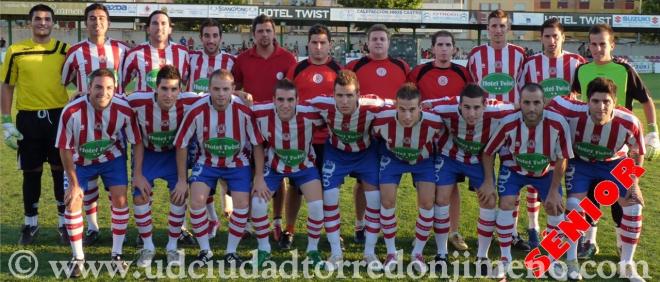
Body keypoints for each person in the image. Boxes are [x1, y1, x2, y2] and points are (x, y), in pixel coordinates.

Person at [570, 24, 659, 260]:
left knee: (620, 200)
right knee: (589, 197)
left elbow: (646, 101)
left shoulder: (625, 70)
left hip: (619, 148)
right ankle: (589, 242)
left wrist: (653, 131)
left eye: (603, 43)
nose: (598, 48)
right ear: (588, 45)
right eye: (593, 44)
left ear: (612, 45)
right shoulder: (581, 70)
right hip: (588, 148)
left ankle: (622, 242)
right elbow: (575, 100)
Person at [548, 78, 647, 282]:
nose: (601, 107)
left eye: (606, 101)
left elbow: (637, 151)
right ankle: (572, 261)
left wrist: (635, 183)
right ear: (587, 101)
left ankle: (626, 264)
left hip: (614, 162)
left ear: (614, 102)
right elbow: (551, 101)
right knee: (575, 206)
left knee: (634, 206)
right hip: (581, 163)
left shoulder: (628, 121)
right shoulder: (571, 110)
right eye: (595, 101)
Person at [481, 83, 573, 279]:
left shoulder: (557, 123)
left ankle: (552, 259)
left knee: (554, 207)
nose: (532, 108)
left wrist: (555, 190)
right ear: (520, 103)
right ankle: (505, 258)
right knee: (506, 203)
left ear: (544, 103)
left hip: (546, 172)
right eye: (527, 103)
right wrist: (489, 181)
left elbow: (562, 158)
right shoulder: (508, 122)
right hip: (514, 170)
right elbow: (488, 152)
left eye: (537, 103)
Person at [174, 69, 264, 267]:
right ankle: (205, 250)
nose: (221, 94)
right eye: (216, 89)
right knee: (196, 200)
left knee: (241, 204)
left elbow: (257, 144)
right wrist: (182, 179)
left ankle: (231, 251)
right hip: (207, 162)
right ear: (209, 89)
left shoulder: (244, 111)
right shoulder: (196, 110)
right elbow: (181, 144)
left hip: (238, 162)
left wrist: (258, 176)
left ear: (233, 89)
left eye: (225, 89)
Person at [57, 69, 141, 277]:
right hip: (79, 160)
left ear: (115, 89)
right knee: (73, 199)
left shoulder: (124, 109)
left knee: (120, 200)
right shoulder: (71, 111)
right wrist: (74, 183)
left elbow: (137, 141)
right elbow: (64, 148)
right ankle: (78, 258)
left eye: (109, 88)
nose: (104, 92)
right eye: (98, 87)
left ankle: (117, 254)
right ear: (88, 87)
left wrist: (137, 173)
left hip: (112, 158)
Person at [425, 84, 516, 272]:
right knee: (441, 199)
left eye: (476, 107)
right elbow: (421, 105)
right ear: (459, 104)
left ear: (485, 105)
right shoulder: (445, 108)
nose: (471, 113)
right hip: (449, 156)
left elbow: (522, 107)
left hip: (479, 160)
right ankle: (441, 254)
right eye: (466, 107)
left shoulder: (499, 110)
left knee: (489, 201)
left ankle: (482, 256)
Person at [61, 3, 130, 246]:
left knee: (116, 185)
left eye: (101, 18)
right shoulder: (75, 51)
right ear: (86, 22)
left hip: (114, 127)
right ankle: (92, 226)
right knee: (86, 185)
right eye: (92, 18)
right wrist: (79, 94)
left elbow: (129, 79)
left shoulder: (122, 50)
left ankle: (117, 233)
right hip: (83, 126)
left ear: (108, 22)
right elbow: (65, 80)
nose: (96, 22)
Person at [1, 4, 70, 245]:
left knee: (60, 172)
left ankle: (65, 223)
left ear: (53, 23)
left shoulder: (64, 50)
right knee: (31, 173)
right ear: (30, 23)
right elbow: (7, 85)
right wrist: (7, 121)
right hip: (28, 119)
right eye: (38, 19)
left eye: (47, 19)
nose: (43, 22)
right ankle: (30, 223)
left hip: (59, 118)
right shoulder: (15, 50)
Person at [306, 70, 387, 270]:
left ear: (359, 94)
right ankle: (336, 253)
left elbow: (400, 106)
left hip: (365, 154)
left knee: (375, 201)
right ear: (332, 95)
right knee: (330, 198)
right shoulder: (321, 104)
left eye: (349, 95)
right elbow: (293, 104)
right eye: (340, 95)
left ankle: (369, 252)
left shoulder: (373, 106)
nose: (344, 100)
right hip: (336, 154)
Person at [517, 17, 587, 248]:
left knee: (569, 182)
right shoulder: (530, 63)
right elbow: (521, 95)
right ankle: (533, 226)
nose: (551, 40)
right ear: (541, 38)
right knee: (536, 176)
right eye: (547, 36)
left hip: (569, 130)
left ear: (563, 37)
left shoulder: (576, 62)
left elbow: (583, 97)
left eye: (555, 36)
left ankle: (568, 231)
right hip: (537, 129)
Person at [467, 9, 531, 251]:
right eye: (493, 25)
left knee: (510, 180)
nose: (498, 30)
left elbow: (524, 88)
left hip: (511, 125)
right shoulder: (475, 54)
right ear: (487, 29)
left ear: (508, 28)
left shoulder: (519, 54)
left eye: (502, 26)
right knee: (484, 180)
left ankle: (510, 231)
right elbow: (472, 89)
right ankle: (485, 225)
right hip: (482, 125)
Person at [126, 66, 203, 267]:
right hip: (149, 153)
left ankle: (172, 246)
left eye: (174, 89)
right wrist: (137, 174)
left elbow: (217, 93)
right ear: (156, 88)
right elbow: (113, 100)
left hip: (174, 155)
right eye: (164, 89)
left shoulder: (190, 100)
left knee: (179, 194)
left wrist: (182, 179)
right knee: (140, 194)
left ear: (180, 90)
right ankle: (148, 246)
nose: (169, 95)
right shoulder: (137, 101)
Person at [231, 14, 297, 239]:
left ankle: (277, 221)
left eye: (268, 30)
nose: (264, 35)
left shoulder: (288, 59)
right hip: (249, 126)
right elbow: (231, 87)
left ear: (274, 32)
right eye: (260, 31)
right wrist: (238, 93)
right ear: (253, 34)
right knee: (250, 172)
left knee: (279, 174)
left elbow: (293, 92)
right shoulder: (242, 59)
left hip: (279, 126)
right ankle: (250, 221)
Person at [408, 30, 473, 252]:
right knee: (424, 187)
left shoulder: (463, 73)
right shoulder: (419, 71)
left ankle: (453, 231)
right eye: (440, 45)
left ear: (454, 48)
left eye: (448, 45)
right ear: (432, 48)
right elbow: (411, 99)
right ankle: (422, 231)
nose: (444, 49)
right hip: (425, 139)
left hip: (454, 140)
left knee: (452, 185)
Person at [251, 79, 327, 268]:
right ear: (273, 100)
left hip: (305, 167)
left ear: (298, 100)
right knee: (258, 204)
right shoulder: (260, 112)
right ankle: (263, 249)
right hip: (275, 166)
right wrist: (259, 177)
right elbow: (235, 104)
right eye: (281, 100)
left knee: (317, 206)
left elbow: (334, 110)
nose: (285, 105)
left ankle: (312, 250)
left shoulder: (310, 114)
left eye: (290, 100)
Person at [279, 23, 341, 248]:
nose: (318, 47)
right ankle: (290, 229)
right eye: (314, 42)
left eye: (322, 42)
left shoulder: (338, 70)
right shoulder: (297, 69)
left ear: (330, 45)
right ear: (308, 44)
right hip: (301, 139)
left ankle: (332, 231)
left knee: (329, 187)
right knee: (295, 187)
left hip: (328, 140)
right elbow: (285, 98)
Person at [371, 83, 444, 273]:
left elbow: (442, 136)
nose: (407, 115)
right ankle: (391, 252)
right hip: (393, 158)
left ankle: (417, 252)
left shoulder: (435, 122)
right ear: (395, 106)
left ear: (420, 107)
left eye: (412, 109)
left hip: (423, 160)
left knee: (428, 203)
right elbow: (374, 136)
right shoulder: (381, 121)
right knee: (387, 202)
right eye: (402, 109)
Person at [187, 18, 237, 238]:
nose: (211, 40)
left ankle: (235, 215)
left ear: (220, 38)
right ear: (201, 38)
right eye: (206, 35)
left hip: (226, 127)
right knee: (199, 175)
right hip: (197, 127)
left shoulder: (231, 61)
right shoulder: (190, 59)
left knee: (227, 173)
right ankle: (212, 218)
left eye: (215, 35)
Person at [122, 10, 189, 93]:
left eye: (163, 23)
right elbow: (122, 84)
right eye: (155, 23)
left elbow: (188, 81)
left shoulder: (183, 53)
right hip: (144, 105)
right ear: (148, 29)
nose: (159, 27)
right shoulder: (135, 53)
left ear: (170, 29)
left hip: (174, 105)